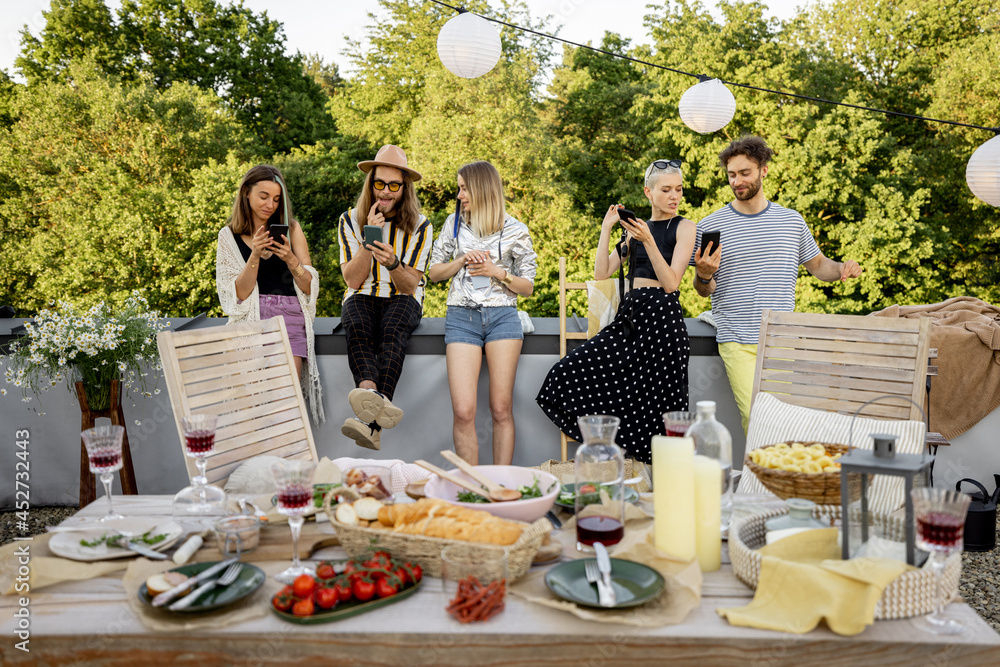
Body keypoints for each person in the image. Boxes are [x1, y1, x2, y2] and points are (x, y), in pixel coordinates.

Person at [692, 135, 863, 432]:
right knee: (757, 418)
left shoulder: (791, 222)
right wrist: (704, 274)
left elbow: (820, 266)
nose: (737, 181)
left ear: (763, 171)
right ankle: (760, 478)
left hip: (782, 339)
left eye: (745, 173)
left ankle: (776, 477)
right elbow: (704, 289)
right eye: (732, 175)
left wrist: (843, 269)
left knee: (784, 420)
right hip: (736, 336)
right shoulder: (710, 225)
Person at [536, 159, 696, 464]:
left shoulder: (684, 227)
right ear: (649, 192)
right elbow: (602, 273)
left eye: (679, 189)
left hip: (663, 320)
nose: (674, 196)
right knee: (565, 373)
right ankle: (619, 458)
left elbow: (672, 282)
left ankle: (661, 477)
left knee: (662, 405)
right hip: (631, 318)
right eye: (666, 190)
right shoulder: (636, 231)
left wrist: (647, 240)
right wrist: (606, 229)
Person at [428, 161, 537, 465]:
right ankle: (472, 488)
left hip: (503, 317)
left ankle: (500, 486)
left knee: (501, 409)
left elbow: (527, 287)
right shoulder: (453, 224)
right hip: (462, 317)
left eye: (464, 188)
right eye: (459, 188)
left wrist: (497, 272)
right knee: (463, 411)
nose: (459, 195)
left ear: (481, 189)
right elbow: (434, 273)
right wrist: (461, 259)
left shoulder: (516, 229)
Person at [338, 145, 433, 450]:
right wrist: (369, 242)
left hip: (401, 297)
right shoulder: (349, 220)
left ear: (405, 189)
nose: (386, 192)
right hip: (362, 294)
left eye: (394, 185)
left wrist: (392, 262)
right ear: (371, 184)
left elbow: (409, 286)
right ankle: (372, 409)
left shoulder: (421, 225)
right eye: (380, 183)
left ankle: (370, 422)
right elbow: (352, 279)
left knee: (392, 331)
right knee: (358, 327)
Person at [215, 164, 324, 424]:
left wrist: (291, 260)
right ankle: (256, 462)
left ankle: (286, 462)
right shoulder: (228, 236)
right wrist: (254, 255)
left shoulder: (292, 229)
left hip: (290, 316)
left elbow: (310, 287)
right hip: (250, 322)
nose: (270, 205)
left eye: (276, 199)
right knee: (249, 406)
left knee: (287, 404)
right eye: (263, 196)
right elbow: (236, 297)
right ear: (246, 193)